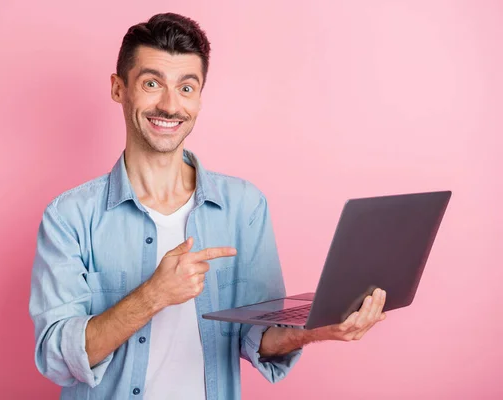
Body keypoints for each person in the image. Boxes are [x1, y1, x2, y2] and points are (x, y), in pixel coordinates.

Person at [28, 12, 387, 400]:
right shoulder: (68, 217)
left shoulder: (244, 206)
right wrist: (154, 295)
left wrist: (320, 328)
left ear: (199, 97)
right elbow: (56, 357)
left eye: (186, 87)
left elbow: (256, 336)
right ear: (119, 88)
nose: (169, 105)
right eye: (152, 83)